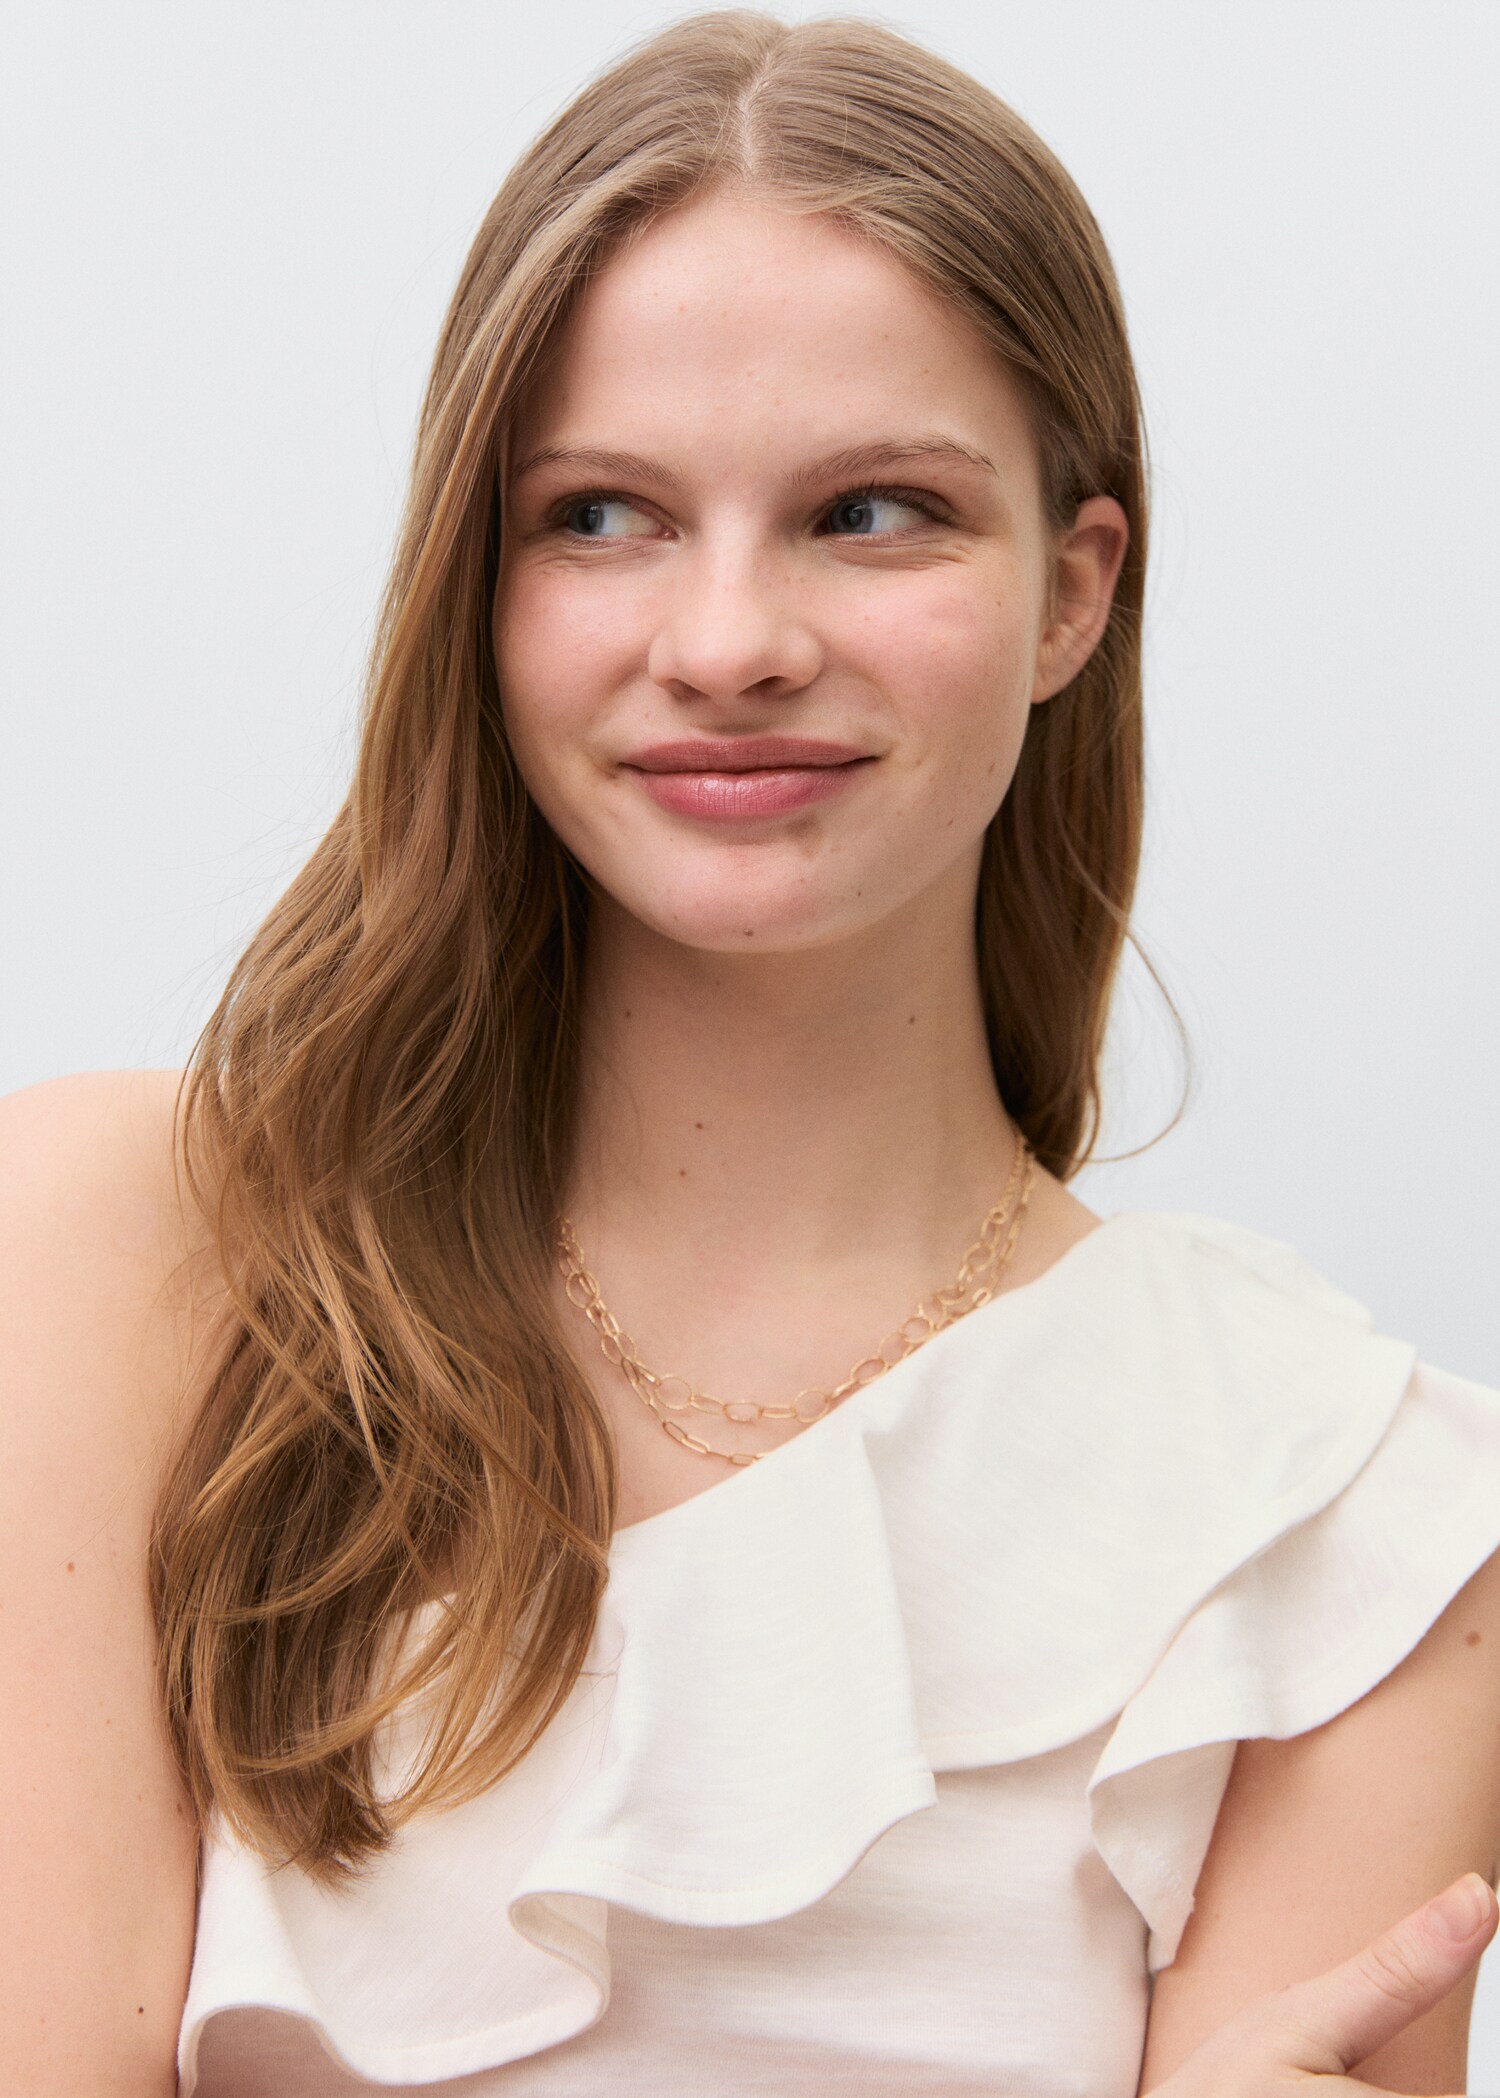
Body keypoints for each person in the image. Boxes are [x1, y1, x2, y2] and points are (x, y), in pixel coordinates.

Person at [3, 11, 1498, 2095]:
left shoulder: (1349, 1511)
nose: (726, 644)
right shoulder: (125, 1259)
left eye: (871, 512)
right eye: (602, 516)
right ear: (479, 584)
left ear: (1074, 594)